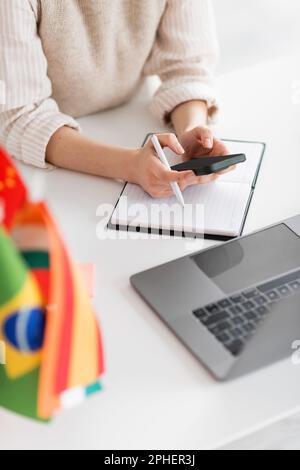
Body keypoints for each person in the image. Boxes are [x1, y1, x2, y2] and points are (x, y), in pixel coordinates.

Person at [0, 0, 230, 199]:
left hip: (129, 115)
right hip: (49, 168)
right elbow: (21, 114)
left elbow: (186, 67)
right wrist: (131, 165)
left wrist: (191, 130)